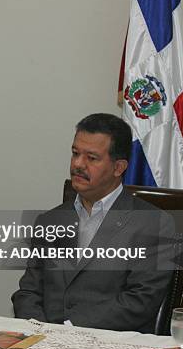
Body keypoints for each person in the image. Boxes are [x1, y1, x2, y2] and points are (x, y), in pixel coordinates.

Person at [11, 113, 174, 333]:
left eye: (92, 158)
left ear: (119, 168)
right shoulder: (49, 220)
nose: (78, 164)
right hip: (43, 343)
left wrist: (66, 329)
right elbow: (28, 292)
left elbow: (140, 302)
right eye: (75, 153)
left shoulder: (154, 225)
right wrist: (41, 331)